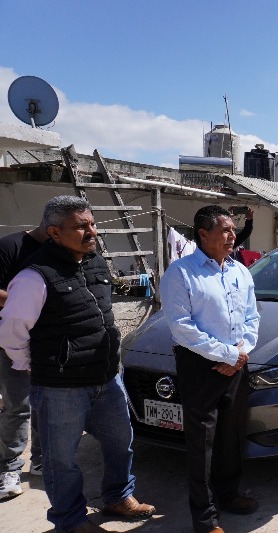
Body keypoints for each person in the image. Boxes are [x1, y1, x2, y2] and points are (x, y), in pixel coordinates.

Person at [0, 195, 154, 533]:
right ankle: (70, 521)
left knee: (120, 441)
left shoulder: (96, 263)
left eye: (93, 224)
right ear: (54, 232)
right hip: (61, 387)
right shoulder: (35, 275)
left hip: (106, 377)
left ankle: (118, 495)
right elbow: (12, 328)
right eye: (81, 226)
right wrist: (30, 364)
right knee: (61, 459)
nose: (92, 232)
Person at [160, 205, 260, 532]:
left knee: (231, 435)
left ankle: (229, 494)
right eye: (226, 230)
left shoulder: (240, 271)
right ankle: (205, 518)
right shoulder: (181, 273)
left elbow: (251, 317)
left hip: (236, 364)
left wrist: (240, 353)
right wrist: (226, 354)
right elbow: (182, 327)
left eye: (233, 229)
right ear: (203, 234)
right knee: (202, 443)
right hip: (201, 367)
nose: (233, 235)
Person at [0, 218, 47, 501]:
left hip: (46, 339)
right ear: (52, 226)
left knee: (45, 402)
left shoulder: (59, 249)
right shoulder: (9, 246)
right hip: (11, 338)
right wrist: (25, 303)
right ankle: (8, 467)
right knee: (17, 405)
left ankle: (40, 459)